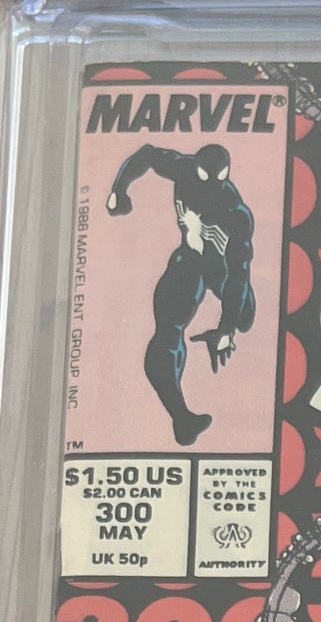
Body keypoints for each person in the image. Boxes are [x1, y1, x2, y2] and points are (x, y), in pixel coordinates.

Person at [104, 142, 255, 446]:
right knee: (168, 332)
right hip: (190, 260)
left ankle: (228, 328)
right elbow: (147, 155)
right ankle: (182, 417)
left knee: (244, 319)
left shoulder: (236, 214)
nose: (210, 189)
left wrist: (225, 329)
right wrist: (119, 189)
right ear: (195, 169)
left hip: (222, 268)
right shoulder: (183, 170)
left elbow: (238, 276)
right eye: (204, 179)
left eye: (217, 181)